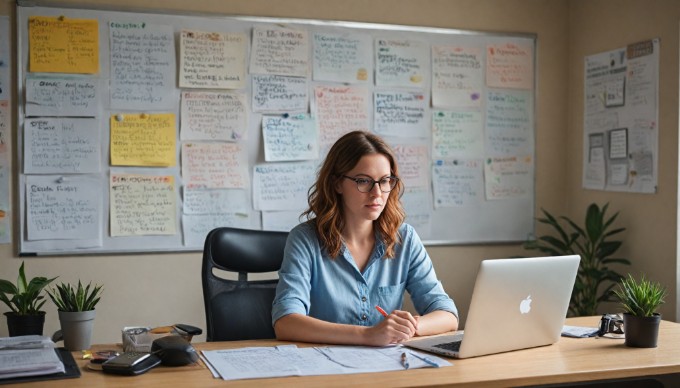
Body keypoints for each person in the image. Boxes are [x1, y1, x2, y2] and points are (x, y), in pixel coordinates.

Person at [272, 130, 458, 346]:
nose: (377, 193)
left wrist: (409, 327)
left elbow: (448, 315)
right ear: (337, 183)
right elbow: (286, 323)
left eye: (385, 181)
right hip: (325, 368)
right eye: (363, 181)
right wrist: (368, 335)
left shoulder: (404, 238)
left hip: (386, 367)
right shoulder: (304, 240)